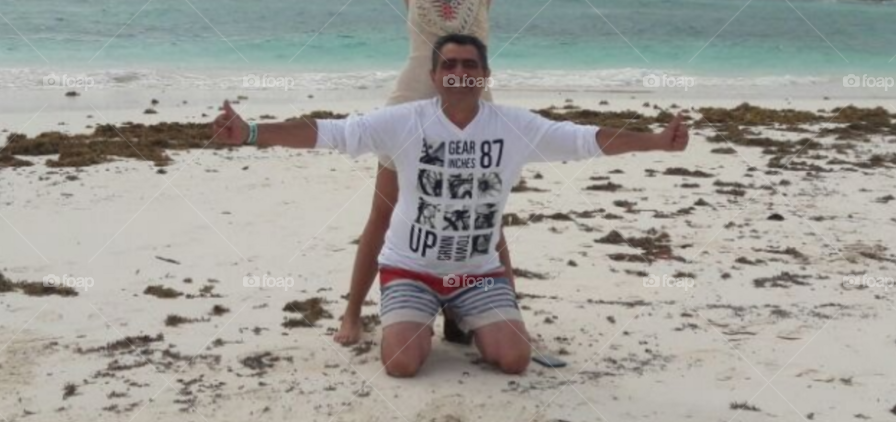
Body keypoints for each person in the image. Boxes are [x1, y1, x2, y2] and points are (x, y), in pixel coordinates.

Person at [246, 0, 652, 346]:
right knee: (383, 212)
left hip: (471, 104)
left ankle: (493, 309)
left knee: (485, 215)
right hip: (411, 102)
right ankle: (352, 314)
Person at [212, 33, 689, 377]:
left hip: (477, 272)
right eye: (450, 65)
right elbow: (328, 131)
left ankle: (464, 314)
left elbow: (587, 140)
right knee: (401, 364)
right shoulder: (403, 122)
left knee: (514, 360)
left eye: (470, 65)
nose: (460, 72)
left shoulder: (512, 126)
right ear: (435, 76)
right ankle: (422, 315)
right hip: (409, 269)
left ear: (485, 75)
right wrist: (254, 133)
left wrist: (654, 142)